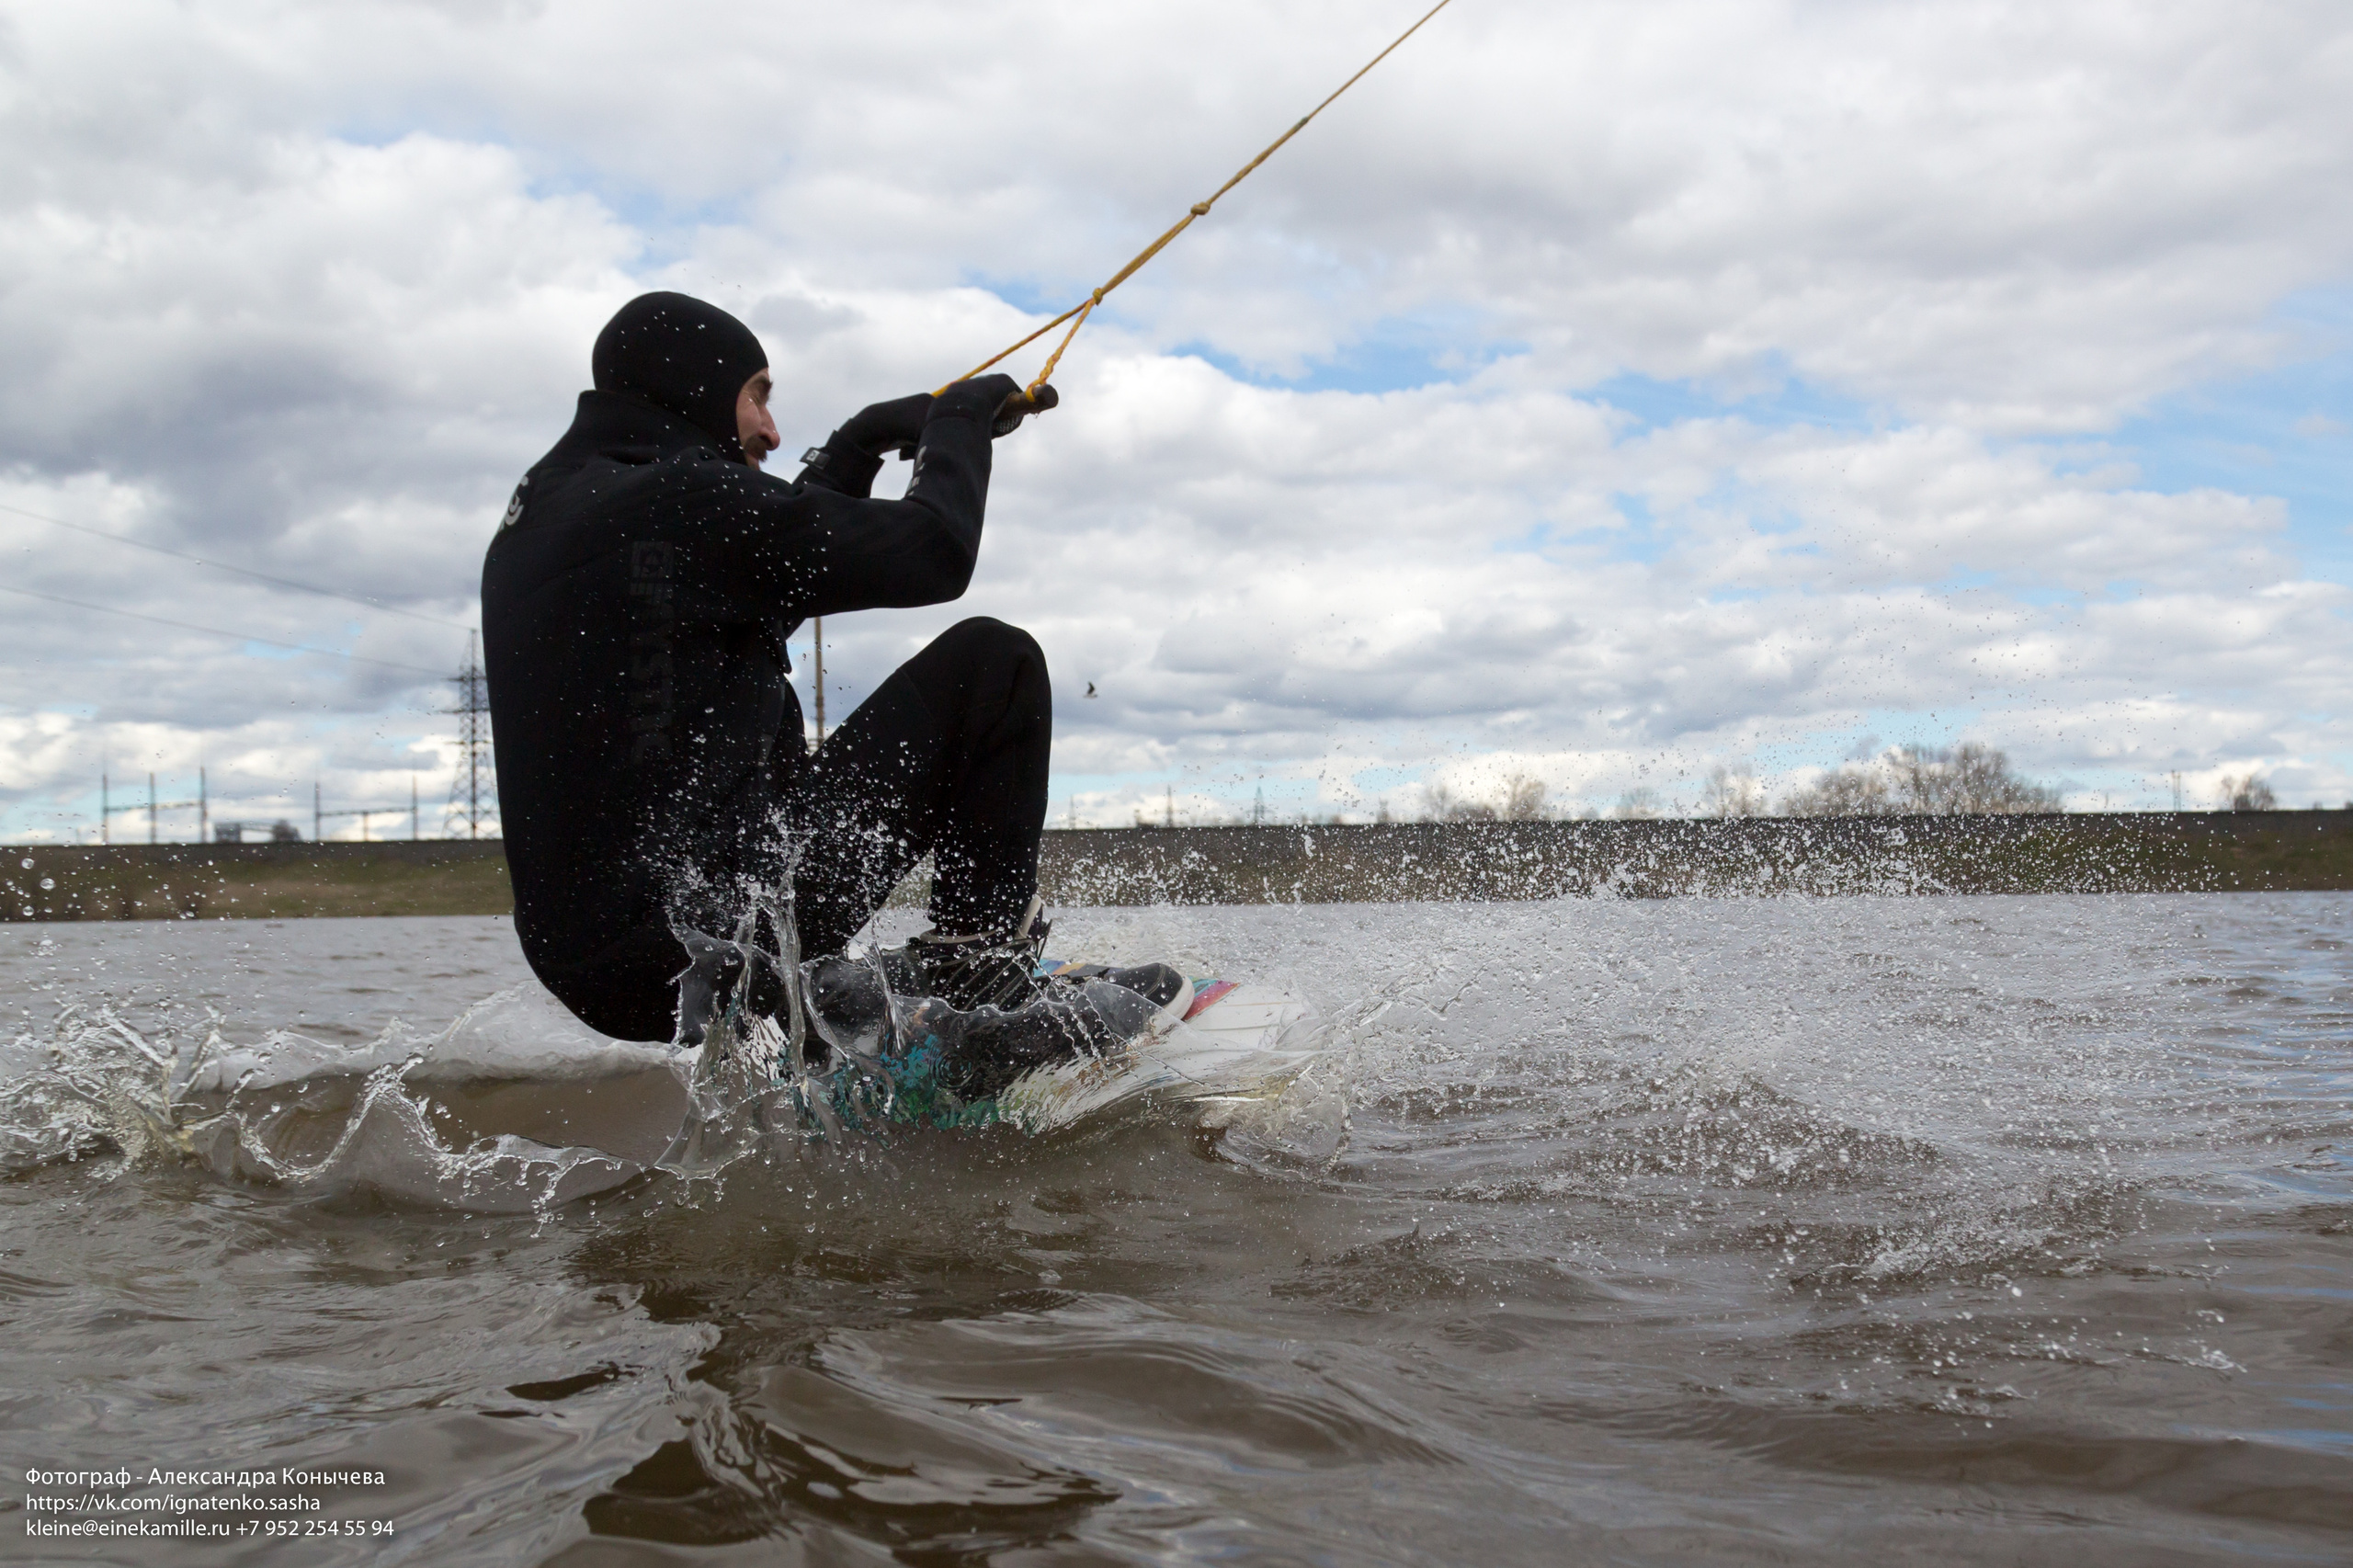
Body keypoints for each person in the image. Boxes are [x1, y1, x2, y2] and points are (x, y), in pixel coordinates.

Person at [483, 291, 1167, 1062]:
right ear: (695, 391)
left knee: (755, 845)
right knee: (991, 668)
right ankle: (976, 982)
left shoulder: (565, 506)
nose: (772, 431)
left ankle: (860, 1013)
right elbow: (933, 551)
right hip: (715, 926)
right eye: (758, 396)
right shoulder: (679, 498)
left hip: (621, 959)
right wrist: (958, 426)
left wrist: (865, 438)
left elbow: (762, 578)